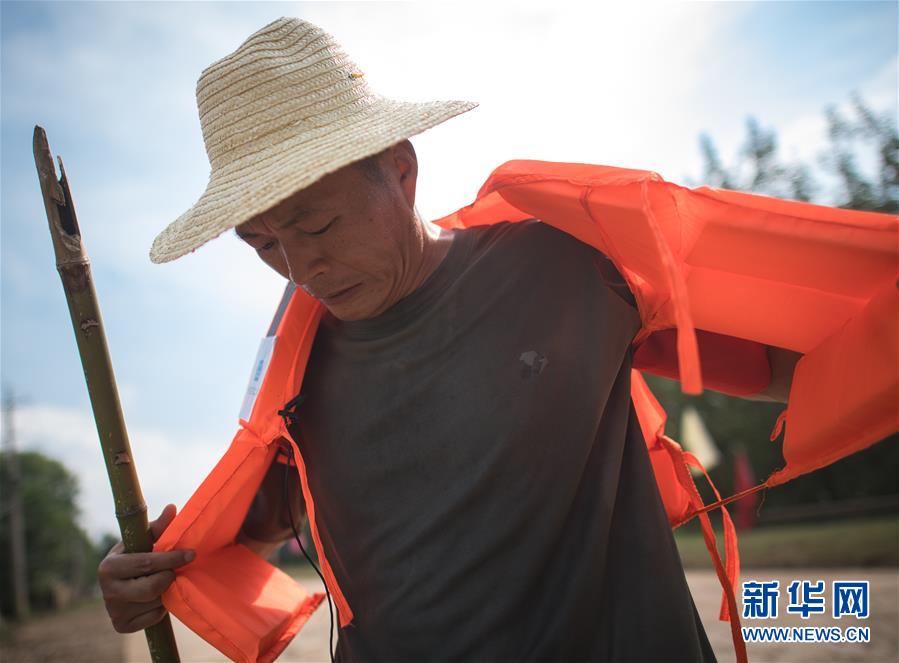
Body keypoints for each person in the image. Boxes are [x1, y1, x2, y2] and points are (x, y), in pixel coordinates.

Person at [99, 16, 794, 661]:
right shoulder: (296, 373)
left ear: (399, 168)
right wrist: (144, 577)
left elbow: (785, 361)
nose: (301, 268)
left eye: (317, 225)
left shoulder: (565, 266)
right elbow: (246, 537)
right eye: (262, 244)